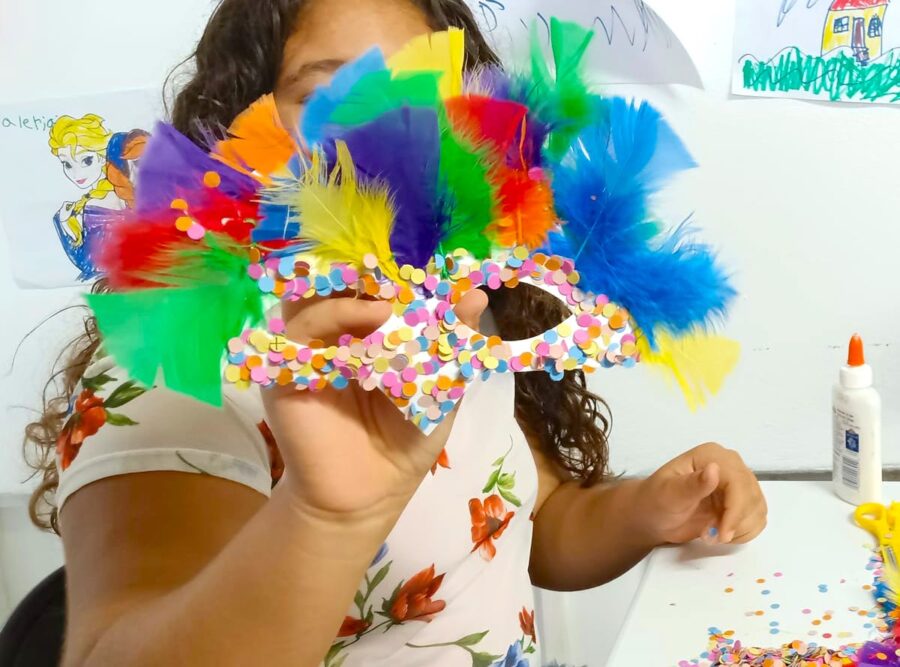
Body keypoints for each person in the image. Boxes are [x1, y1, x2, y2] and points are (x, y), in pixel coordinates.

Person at [24, 1, 767, 665]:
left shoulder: (454, 314)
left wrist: (646, 511)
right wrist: (324, 516)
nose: (389, 135)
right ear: (240, 128)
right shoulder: (171, 369)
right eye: (330, 98)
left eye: (422, 96)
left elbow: (528, 523)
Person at [48, 114, 124, 280]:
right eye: (67, 164)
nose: (76, 173)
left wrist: (62, 224)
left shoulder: (95, 204)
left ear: (102, 156)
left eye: (86, 160)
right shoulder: (122, 192)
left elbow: (92, 264)